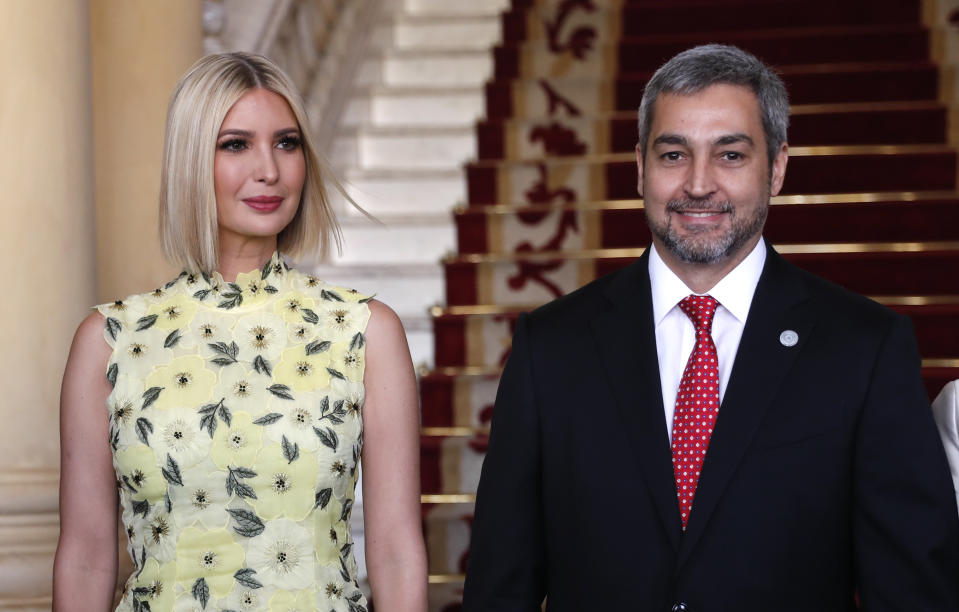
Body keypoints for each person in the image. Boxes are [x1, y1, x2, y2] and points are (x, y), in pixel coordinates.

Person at [462, 45, 959, 611]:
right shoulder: (548, 346)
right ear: (640, 168)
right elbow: (501, 584)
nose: (698, 185)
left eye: (729, 155)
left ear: (777, 168)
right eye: (673, 154)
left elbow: (913, 591)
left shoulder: (866, 347)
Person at [53, 52, 427, 611]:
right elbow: (85, 557)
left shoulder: (364, 332)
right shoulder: (109, 340)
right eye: (235, 144)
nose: (269, 170)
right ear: (190, 159)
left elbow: (396, 552)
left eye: (286, 142)